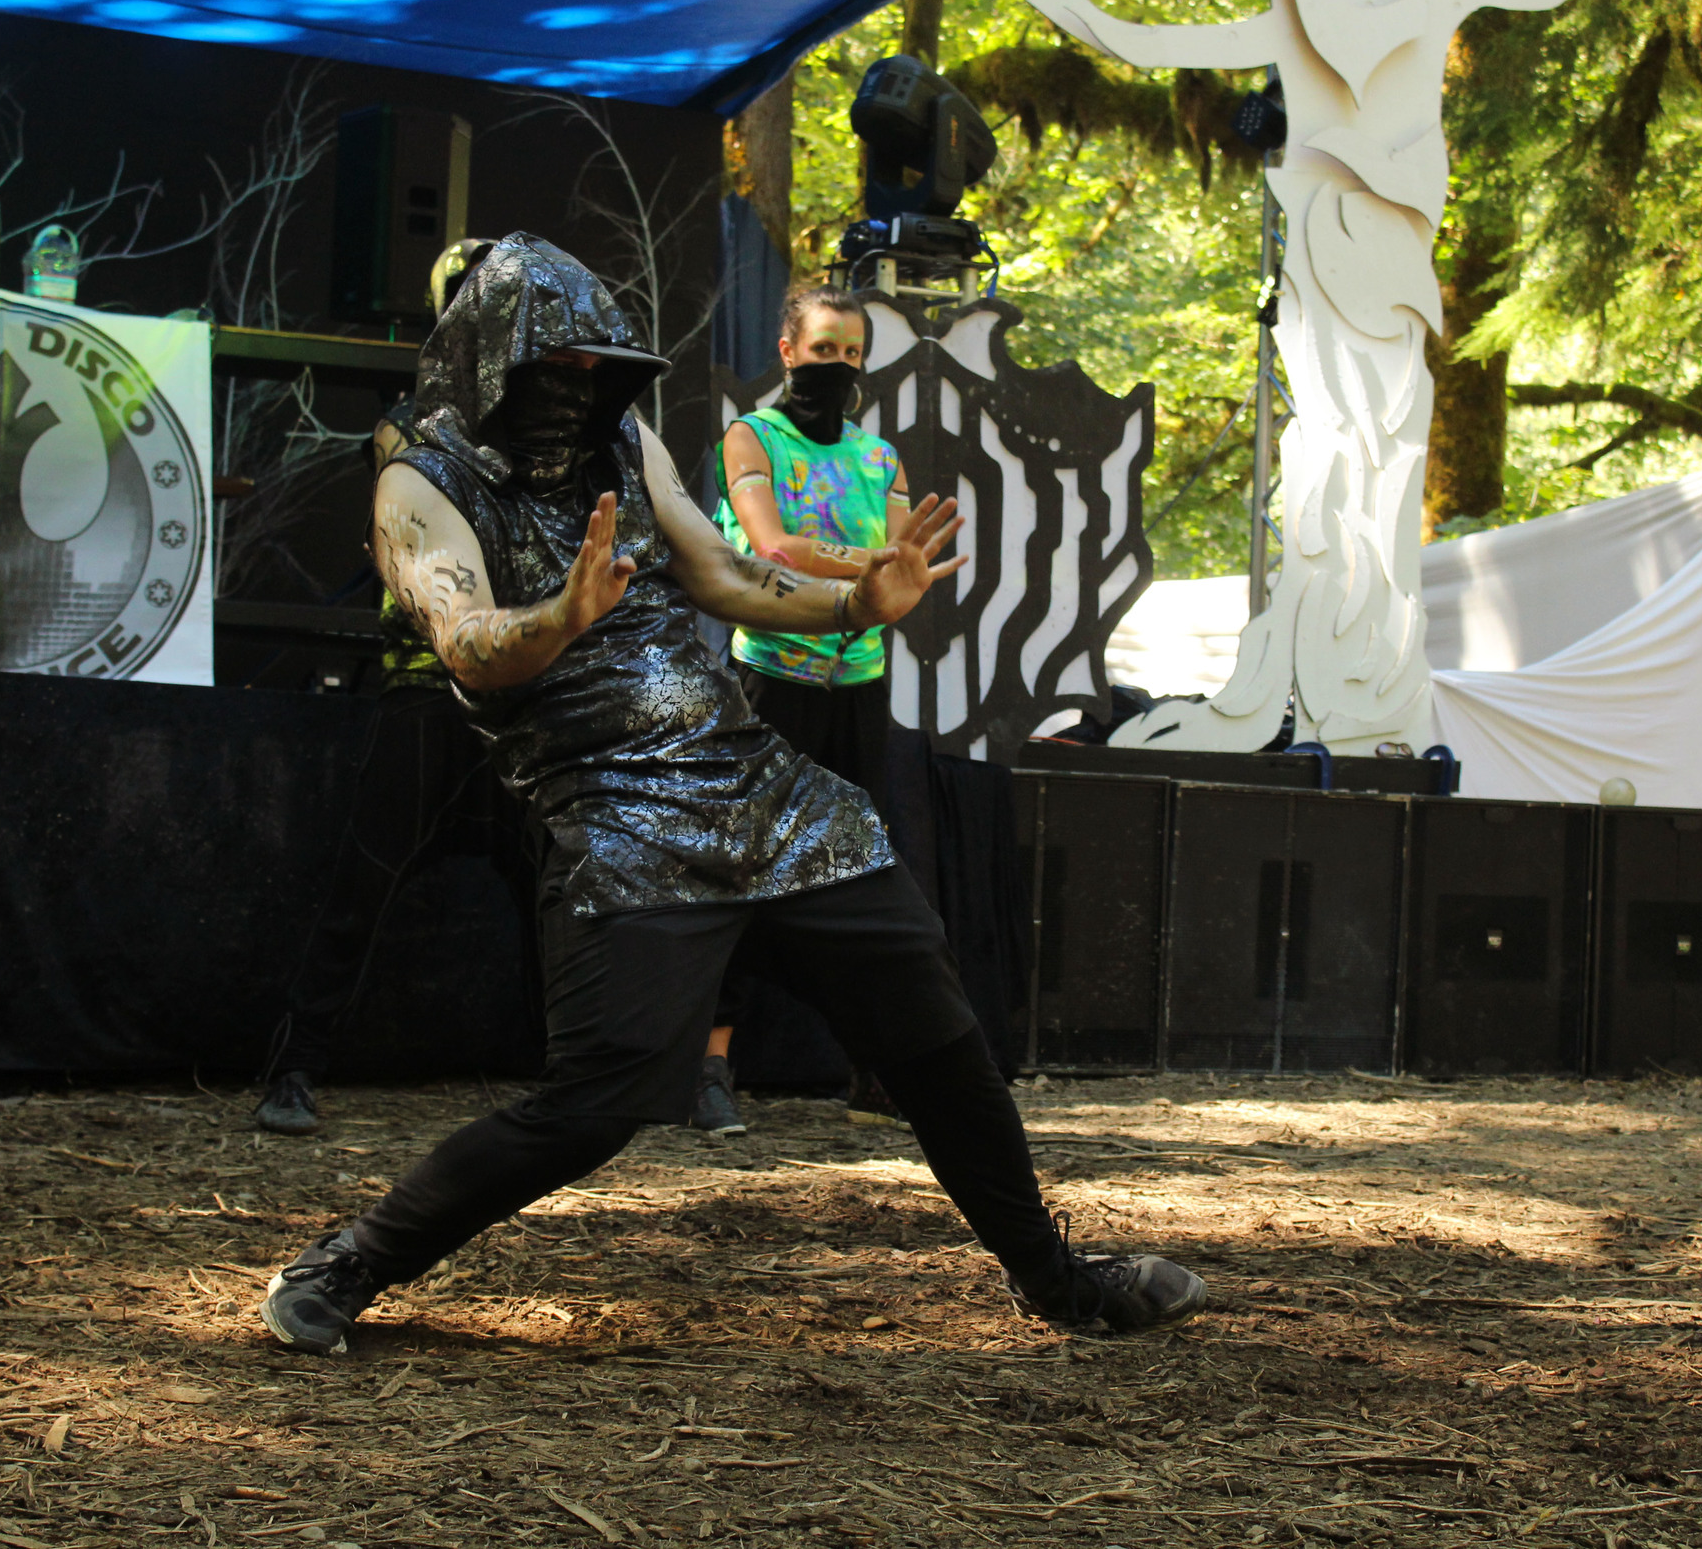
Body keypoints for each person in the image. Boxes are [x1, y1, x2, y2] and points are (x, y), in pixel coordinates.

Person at [257, 233, 1204, 1355]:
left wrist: (855, 599)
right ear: (486, 360)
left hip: (763, 784)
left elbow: (717, 569)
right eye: (550, 366)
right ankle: (350, 1259)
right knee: (597, 1103)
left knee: (938, 1039)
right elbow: (465, 638)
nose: (576, 389)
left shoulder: (626, 439)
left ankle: (1054, 1278)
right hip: (620, 813)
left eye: (590, 368)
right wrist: (559, 619)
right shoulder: (421, 479)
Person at [253, 237, 506, 1139]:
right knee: (363, 885)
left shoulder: (552, 426)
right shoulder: (407, 428)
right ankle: (294, 1067)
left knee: (565, 888)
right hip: (429, 686)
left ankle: (598, 1079)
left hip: (523, 694)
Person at [693, 283, 908, 1136]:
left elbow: (903, 577)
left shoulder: (879, 457)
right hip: (771, 675)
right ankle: (712, 1067)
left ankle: (874, 1067)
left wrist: (877, 572)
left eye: (852, 353)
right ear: (788, 352)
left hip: (858, 685)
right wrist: (869, 564)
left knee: (860, 873)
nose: (839, 367)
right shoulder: (755, 436)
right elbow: (772, 543)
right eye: (824, 351)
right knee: (744, 868)